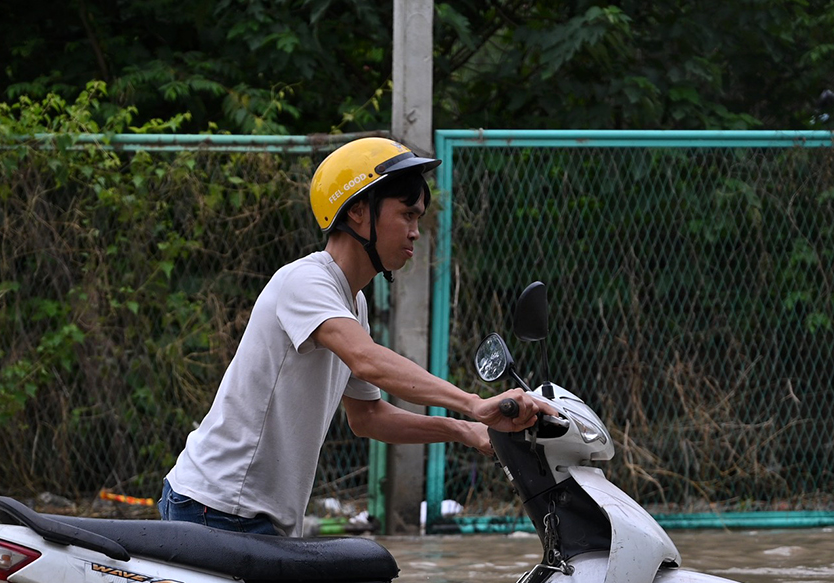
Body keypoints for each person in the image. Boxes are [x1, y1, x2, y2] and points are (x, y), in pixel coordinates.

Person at [159, 136, 548, 536]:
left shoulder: (352, 304)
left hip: (253, 514)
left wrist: (464, 430)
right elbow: (366, 359)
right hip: (217, 506)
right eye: (407, 215)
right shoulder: (305, 281)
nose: (416, 232)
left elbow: (368, 417)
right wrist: (473, 403)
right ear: (359, 212)